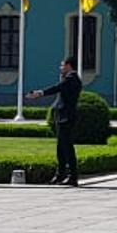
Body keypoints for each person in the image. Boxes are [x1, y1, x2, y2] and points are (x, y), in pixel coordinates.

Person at [26, 58, 83, 186]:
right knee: (61, 148)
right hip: (62, 116)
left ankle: (72, 177)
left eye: (62, 65)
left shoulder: (71, 78)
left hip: (66, 117)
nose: (60, 67)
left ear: (69, 65)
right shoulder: (68, 77)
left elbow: (58, 88)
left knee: (67, 147)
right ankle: (60, 175)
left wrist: (40, 93)